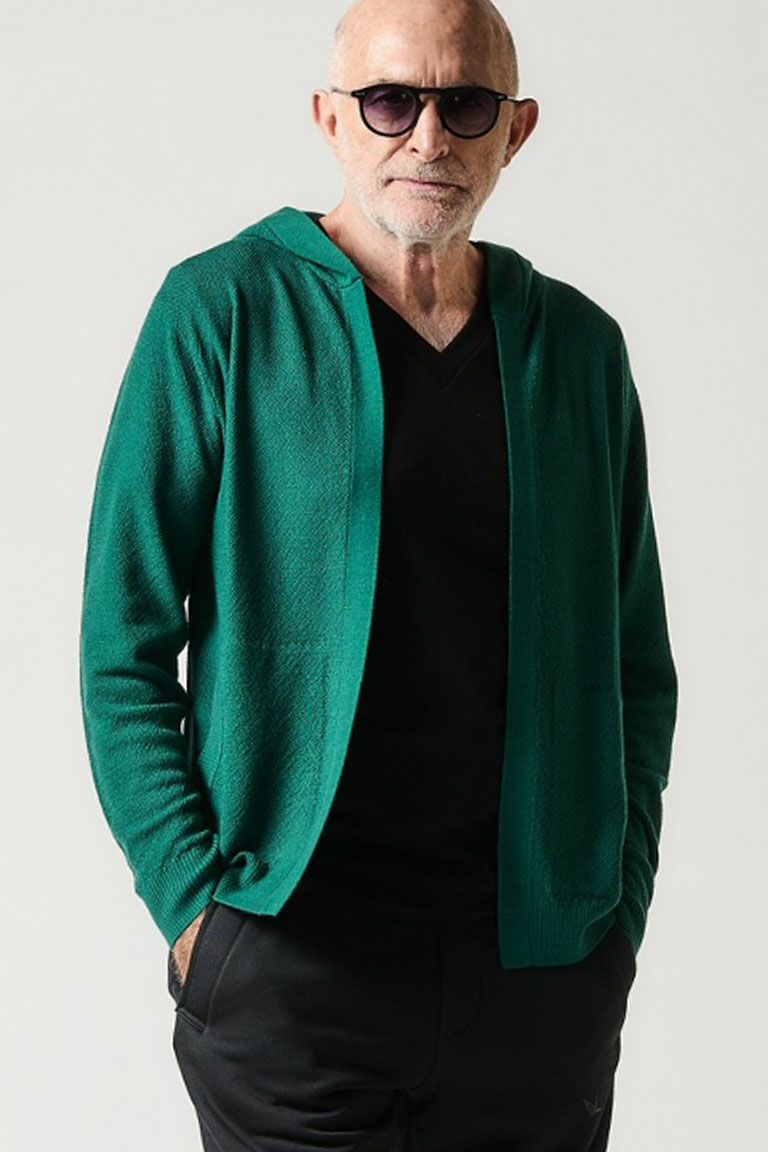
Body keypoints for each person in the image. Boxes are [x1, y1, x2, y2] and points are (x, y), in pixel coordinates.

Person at [78, 0, 678, 1148]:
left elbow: (634, 666)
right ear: (329, 118)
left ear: (518, 130)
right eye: (391, 101)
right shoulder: (222, 311)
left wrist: (614, 910)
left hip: (537, 988)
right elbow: (123, 643)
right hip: (292, 970)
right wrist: (198, 908)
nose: (428, 138)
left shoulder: (578, 352)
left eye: (467, 105)